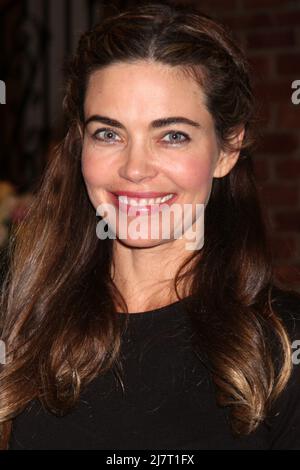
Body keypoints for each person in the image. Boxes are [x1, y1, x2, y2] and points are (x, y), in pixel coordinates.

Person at [1, 2, 300, 450]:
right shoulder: (21, 322)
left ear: (227, 149)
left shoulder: (281, 345)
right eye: (109, 133)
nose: (135, 169)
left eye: (172, 135)